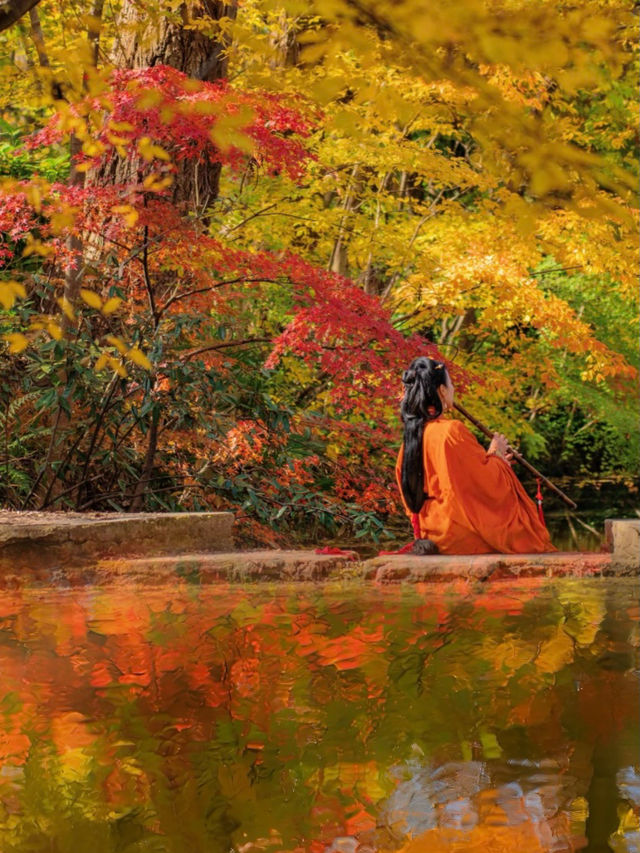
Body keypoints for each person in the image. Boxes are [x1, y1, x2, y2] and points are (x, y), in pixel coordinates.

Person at [395, 356, 556, 555]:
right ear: (443, 391)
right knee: (520, 530)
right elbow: (483, 483)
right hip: (461, 534)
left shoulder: (410, 439)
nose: (453, 389)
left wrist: (494, 458)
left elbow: (461, 479)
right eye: (450, 383)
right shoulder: (452, 431)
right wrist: (497, 456)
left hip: (433, 535)